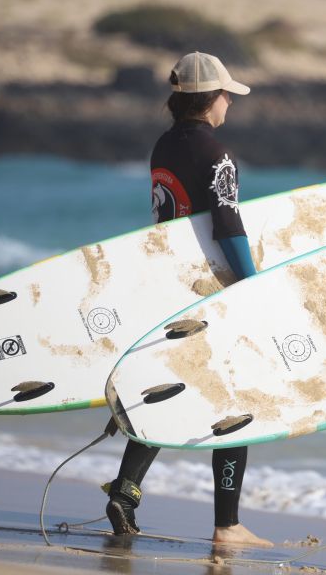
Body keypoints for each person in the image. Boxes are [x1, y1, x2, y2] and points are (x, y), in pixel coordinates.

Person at [106, 51, 271, 548]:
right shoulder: (217, 155)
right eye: (226, 95)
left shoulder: (164, 146)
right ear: (210, 98)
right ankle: (227, 523)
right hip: (208, 292)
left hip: (168, 285)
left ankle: (126, 492)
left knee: (165, 386)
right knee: (235, 400)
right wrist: (255, 287)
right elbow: (227, 227)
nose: (229, 104)